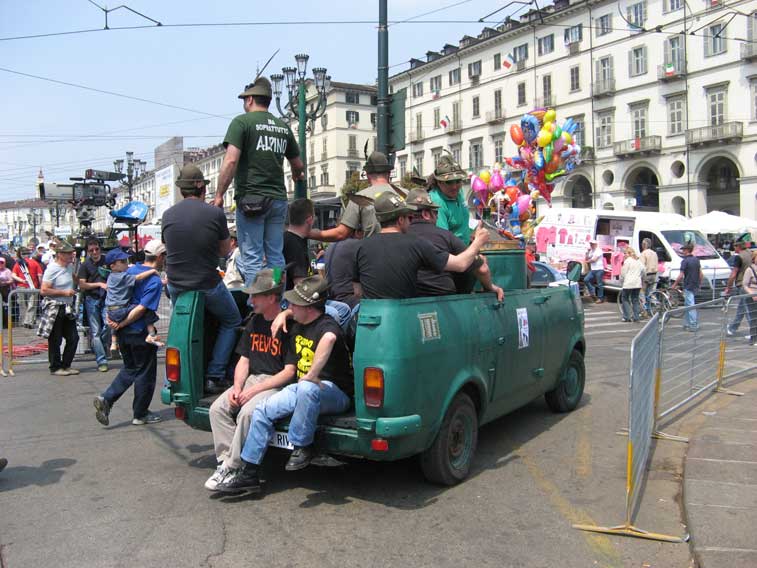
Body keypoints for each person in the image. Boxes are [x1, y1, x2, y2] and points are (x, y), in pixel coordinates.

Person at [216, 275, 352, 494]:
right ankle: (249, 473)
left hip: (333, 392)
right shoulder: (296, 324)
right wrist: (285, 313)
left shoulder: (327, 324)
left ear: (308, 306)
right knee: (262, 411)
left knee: (307, 387)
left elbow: (329, 339)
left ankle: (302, 446)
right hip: (301, 389)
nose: (289, 306)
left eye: (294, 303)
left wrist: (311, 374)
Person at [205, 269, 295, 491]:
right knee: (217, 409)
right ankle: (226, 462)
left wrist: (252, 393)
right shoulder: (254, 322)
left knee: (247, 413)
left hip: (275, 384)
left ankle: (234, 466)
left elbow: (289, 372)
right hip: (252, 380)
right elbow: (243, 360)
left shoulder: (289, 326)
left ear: (272, 297)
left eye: (255, 295)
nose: (250, 300)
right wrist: (237, 388)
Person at [215, 77, 304, 286]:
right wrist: (296, 176)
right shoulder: (283, 127)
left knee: (252, 257)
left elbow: (230, 161)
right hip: (278, 200)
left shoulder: (241, 123)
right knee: (275, 255)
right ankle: (275, 297)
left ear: (251, 99)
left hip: (251, 199)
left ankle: (258, 306)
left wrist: (219, 194)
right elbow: (298, 164)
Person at [162, 164, 242, 394]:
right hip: (206, 283)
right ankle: (214, 374)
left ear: (181, 190)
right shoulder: (215, 213)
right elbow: (224, 250)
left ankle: (175, 379)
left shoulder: (168, 215)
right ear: (200, 188)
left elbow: (171, 248)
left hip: (176, 285)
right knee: (232, 321)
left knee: (180, 330)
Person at [352, 189, 489, 300]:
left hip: (370, 318)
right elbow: (460, 264)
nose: (410, 221)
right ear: (400, 219)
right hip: (404, 316)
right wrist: (478, 241)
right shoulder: (415, 243)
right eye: (408, 217)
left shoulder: (360, 246)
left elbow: (357, 290)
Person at [93, 239, 167, 426]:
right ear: (160, 257)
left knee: (130, 368)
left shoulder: (129, 270)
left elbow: (113, 293)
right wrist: (123, 322)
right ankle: (140, 413)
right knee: (145, 373)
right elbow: (142, 309)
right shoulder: (153, 279)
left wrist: (116, 322)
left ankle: (107, 398)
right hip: (138, 330)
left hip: (123, 330)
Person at [405, 188, 504, 301]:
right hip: (445, 301)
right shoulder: (444, 236)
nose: (437, 217)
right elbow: (482, 269)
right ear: (426, 214)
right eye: (435, 212)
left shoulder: (399, 237)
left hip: (408, 301)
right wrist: (490, 287)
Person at [307, 151, 405, 243]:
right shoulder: (406, 194)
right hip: (408, 254)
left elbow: (341, 234)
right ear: (388, 174)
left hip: (374, 255)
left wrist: (311, 233)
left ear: (367, 175)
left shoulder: (359, 198)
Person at [283, 198, 352, 327]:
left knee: (344, 309)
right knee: (336, 313)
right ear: (309, 219)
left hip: (296, 297)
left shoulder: (292, 238)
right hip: (295, 300)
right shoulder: (294, 244)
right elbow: (301, 285)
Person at [103, 249, 162, 347]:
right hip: (122, 312)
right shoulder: (123, 277)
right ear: (112, 266)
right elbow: (138, 277)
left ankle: (114, 343)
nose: (126, 263)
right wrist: (153, 271)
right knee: (145, 308)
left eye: (126, 260)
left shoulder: (111, 277)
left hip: (110, 310)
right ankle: (151, 335)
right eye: (122, 262)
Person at [37, 241, 79, 376]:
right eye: (68, 253)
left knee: (73, 337)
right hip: (55, 307)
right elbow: (44, 290)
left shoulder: (70, 266)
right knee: (55, 339)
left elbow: (73, 279)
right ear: (60, 254)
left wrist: (78, 283)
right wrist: (64, 293)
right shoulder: (52, 269)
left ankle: (66, 365)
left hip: (67, 307)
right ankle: (55, 366)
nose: (71, 255)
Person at [77, 238, 111, 371]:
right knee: (95, 331)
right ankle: (101, 360)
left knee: (109, 325)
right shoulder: (85, 265)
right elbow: (82, 283)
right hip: (91, 298)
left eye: (96, 249)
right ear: (88, 252)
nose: (95, 252)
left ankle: (100, 346)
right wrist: (98, 284)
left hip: (106, 298)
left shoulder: (106, 260)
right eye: (91, 250)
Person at [428, 155, 471, 244]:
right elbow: (443, 239)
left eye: (458, 181)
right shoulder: (436, 202)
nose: (454, 186)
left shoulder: (458, 193)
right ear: (439, 182)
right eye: (449, 182)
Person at [725, 238, 754, 337]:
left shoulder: (739, 257)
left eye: (735, 246)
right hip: (752, 283)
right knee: (742, 308)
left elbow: (734, 273)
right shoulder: (751, 254)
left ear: (738, 246)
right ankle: (732, 328)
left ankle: (754, 332)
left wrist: (728, 287)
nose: (734, 248)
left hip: (742, 284)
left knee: (748, 309)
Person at [672, 242, 703, 332]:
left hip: (688, 284)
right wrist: (699, 283)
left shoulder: (685, 261)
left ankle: (693, 324)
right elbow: (701, 274)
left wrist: (674, 284)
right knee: (688, 304)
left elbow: (681, 275)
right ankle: (687, 323)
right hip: (695, 284)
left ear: (687, 250)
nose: (682, 251)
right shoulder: (696, 260)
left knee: (690, 305)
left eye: (683, 250)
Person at [12, 247, 43, 328]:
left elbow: (13, 275)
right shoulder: (35, 263)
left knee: (22, 305)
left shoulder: (18, 264)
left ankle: (23, 321)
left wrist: (21, 280)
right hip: (33, 287)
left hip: (21, 286)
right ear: (29, 254)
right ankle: (29, 321)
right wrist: (40, 285)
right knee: (32, 305)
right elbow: (39, 276)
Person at [620, 247, 644, 323]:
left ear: (629, 254)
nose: (624, 255)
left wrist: (622, 280)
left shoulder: (627, 261)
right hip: (637, 283)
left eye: (625, 253)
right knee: (635, 300)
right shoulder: (638, 261)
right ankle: (636, 317)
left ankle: (627, 316)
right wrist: (640, 277)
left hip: (628, 283)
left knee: (625, 298)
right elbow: (644, 270)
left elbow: (623, 273)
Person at [740, 250, 757, 346]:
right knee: (754, 317)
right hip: (752, 296)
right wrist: (752, 294)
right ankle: (753, 338)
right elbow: (745, 285)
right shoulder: (749, 269)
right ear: (754, 258)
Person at [639, 238, 659, 316]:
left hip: (646, 275)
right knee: (650, 292)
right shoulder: (654, 253)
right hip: (654, 274)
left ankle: (644, 310)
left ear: (644, 245)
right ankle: (651, 307)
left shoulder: (643, 254)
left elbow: (642, 266)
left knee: (642, 292)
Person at [583, 239, 605, 304]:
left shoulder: (599, 251)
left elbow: (594, 260)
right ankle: (592, 291)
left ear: (596, 244)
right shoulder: (592, 251)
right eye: (591, 244)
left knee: (599, 284)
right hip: (593, 269)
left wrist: (586, 262)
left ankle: (600, 298)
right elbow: (587, 258)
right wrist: (587, 252)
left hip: (599, 269)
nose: (591, 245)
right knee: (586, 279)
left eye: (592, 244)